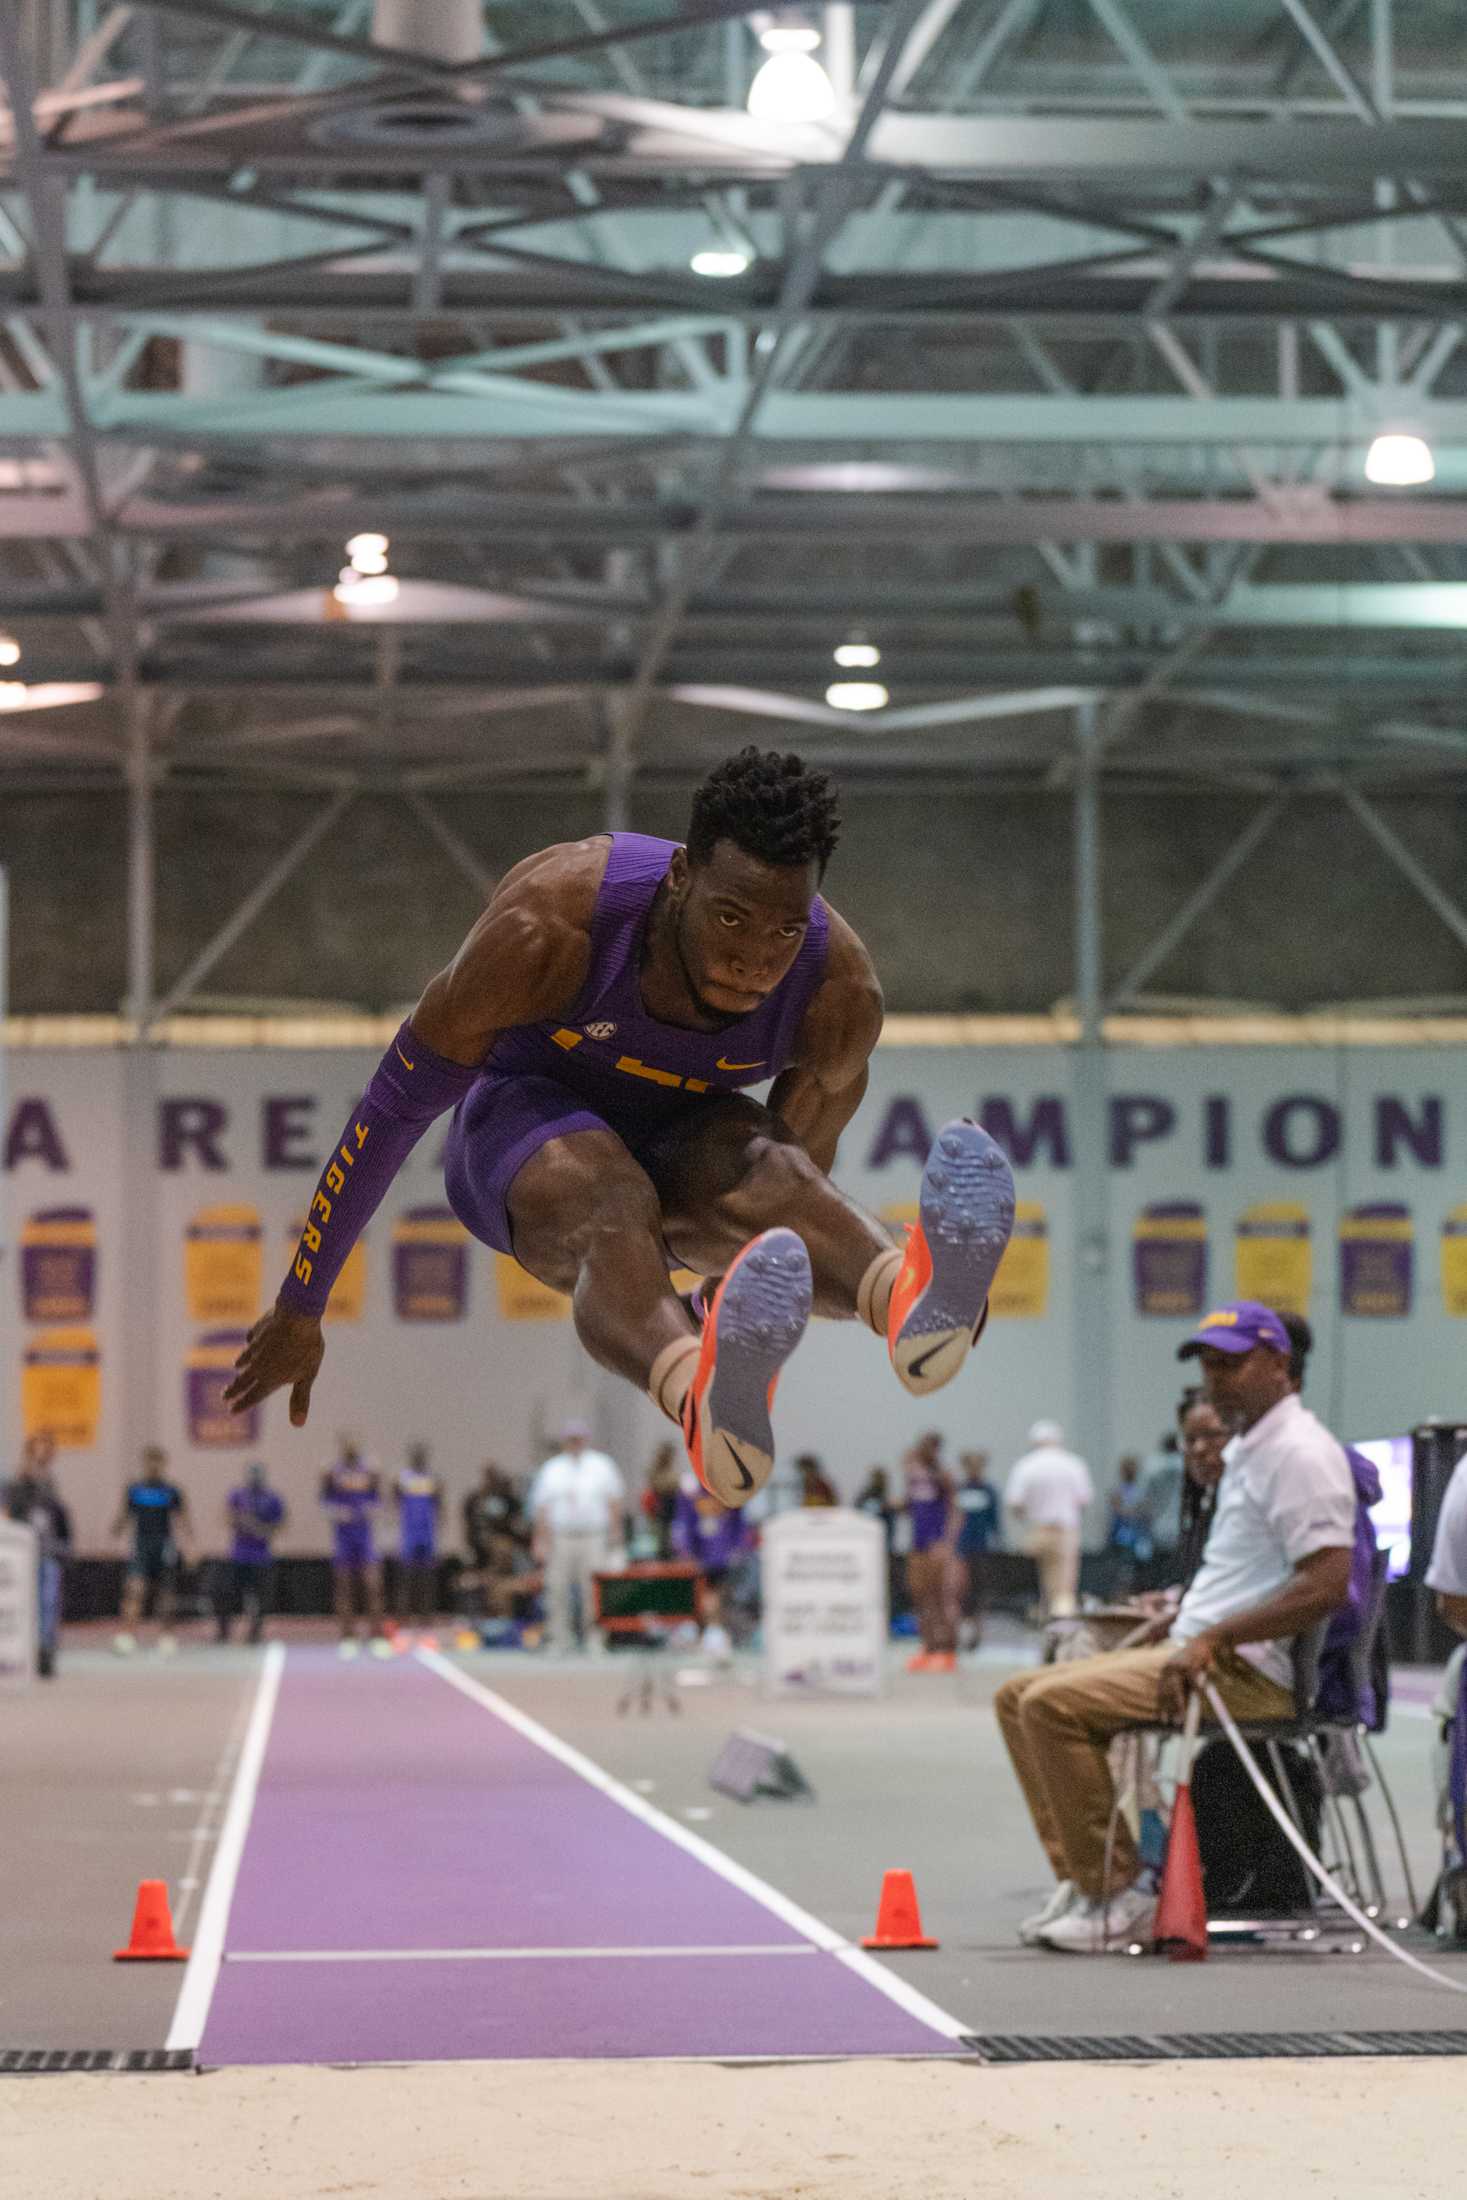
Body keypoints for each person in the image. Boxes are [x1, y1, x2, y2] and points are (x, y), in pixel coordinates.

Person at [224, 748, 1016, 1512]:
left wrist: (726, 1307)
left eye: (782, 931)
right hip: (523, 1141)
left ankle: (900, 1291)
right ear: (679, 876)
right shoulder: (549, 927)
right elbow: (390, 1115)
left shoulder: (835, 993)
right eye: (730, 918)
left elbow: (787, 1188)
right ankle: (685, 1383)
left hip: (688, 1147)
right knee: (607, 1195)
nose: (752, 960)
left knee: (767, 1169)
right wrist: (302, 1302)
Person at [995, 1300, 1356, 1954]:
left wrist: (1211, 1637)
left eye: (1233, 1364)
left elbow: (1325, 1584)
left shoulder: (1301, 1453)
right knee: (1015, 1693)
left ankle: (1118, 1892)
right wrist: (1180, 1614)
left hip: (1241, 1674)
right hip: (1203, 1650)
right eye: (1210, 1366)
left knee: (1050, 1707)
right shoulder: (1251, 1446)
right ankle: (1085, 1884)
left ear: (1279, 1365)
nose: (1219, 1379)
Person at [528, 1421, 627, 1655]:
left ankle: (595, 1639)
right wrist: (541, 1540)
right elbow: (542, 1507)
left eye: (579, 1438)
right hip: (561, 1536)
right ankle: (559, 1639)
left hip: (593, 1535)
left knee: (592, 1590)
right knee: (557, 1588)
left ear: (586, 1439)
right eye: (571, 1439)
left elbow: (614, 1501)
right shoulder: (552, 1468)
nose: (575, 1443)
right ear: (565, 1441)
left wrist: (616, 1535)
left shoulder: (602, 1465)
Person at [1004, 1421, 1094, 1620]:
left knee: (1039, 1584)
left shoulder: (1026, 1465)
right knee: (1063, 1589)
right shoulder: (1073, 1464)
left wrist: (1028, 1518)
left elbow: (1015, 1502)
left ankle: (1041, 1616)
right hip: (1065, 1532)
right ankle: (1060, 1626)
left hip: (1037, 1530)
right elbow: (1083, 1499)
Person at [111, 1446, 193, 1655]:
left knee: (166, 1594)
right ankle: (128, 1636)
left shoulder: (172, 1491)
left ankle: (167, 1637)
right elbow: (124, 1516)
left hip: (164, 1546)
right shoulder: (135, 1489)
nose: (153, 1466)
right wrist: (116, 1530)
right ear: (145, 1464)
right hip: (141, 1546)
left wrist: (192, 1547)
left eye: (157, 1462)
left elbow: (183, 1520)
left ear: (163, 1464)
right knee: (135, 1590)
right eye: (150, 1462)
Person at [5, 1433, 72, 1678]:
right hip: (23, 1553)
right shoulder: (16, 1483)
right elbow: (8, 1515)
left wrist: (63, 1545)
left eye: (47, 1450)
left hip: (47, 1551)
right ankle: (22, 1652)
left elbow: (57, 1519)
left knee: (48, 1601)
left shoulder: (50, 1484)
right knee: (24, 1602)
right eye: (38, 1450)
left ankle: (46, 1651)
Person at [320, 1438, 386, 1657]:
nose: (351, 1449)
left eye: (354, 1446)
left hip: (365, 1539)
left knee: (372, 1586)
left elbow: (379, 1499)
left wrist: (371, 1509)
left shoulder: (370, 1471)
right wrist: (336, 1513)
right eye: (348, 1447)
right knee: (344, 1588)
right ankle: (348, 1637)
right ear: (342, 1449)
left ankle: (376, 1636)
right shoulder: (332, 1472)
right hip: (343, 1539)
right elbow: (324, 1501)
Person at [902, 1430, 957, 1672]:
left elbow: (955, 1511)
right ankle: (928, 1646)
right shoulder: (913, 1477)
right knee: (920, 1596)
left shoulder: (943, 1477)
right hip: (918, 1544)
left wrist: (946, 1542)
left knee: (940, 1598)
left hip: (937, 1546)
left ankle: (947, 1649)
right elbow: (911, 1506)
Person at [217, 1461, 285, 1645]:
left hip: (261, 1556)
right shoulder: (238, 1495)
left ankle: (255, 1632)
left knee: (260, 1596)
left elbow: (280, 1524)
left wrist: (261, 1529)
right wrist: (240, 1520)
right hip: (238, 1554)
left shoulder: (272, 1498)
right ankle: (223, 1631)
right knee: (229, 1593)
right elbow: (227, 1516)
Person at [394, 1441, 443, 1638]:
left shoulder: (433, 1479)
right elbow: (395, 1500)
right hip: (409, 1534)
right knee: (406, 1579)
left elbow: (439, 1504)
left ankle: (426, 1620)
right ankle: (403, 1620)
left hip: (428, 1534)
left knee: (427, 1580)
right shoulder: (402, 1479)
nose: (419, 1457)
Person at [953, 1450, 1001, 1649]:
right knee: (962, 1591)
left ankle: (978, 1631)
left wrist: (997, 1541)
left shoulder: (988, 1491)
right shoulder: (959, 1490)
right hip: (961, 1548)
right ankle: (962, 1630)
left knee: (979, 1591)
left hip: (981, 1549)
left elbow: (995, 1520)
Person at [1103, 1454, 1152, 1601]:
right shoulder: (1117, 1491)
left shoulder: (1141, 1491)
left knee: (1137, 1576)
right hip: (1120, 1540)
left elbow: (1146, 1511)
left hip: (1138, 1540)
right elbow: (1119, 1510)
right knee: (1120, 1575)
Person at [640, 1439, 682, 1560]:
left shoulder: (672, 1470)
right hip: (660, 1507)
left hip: (671, 1507)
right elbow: (662, 1484)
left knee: (670, 1537)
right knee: (661, 1537)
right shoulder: (656, 1471)